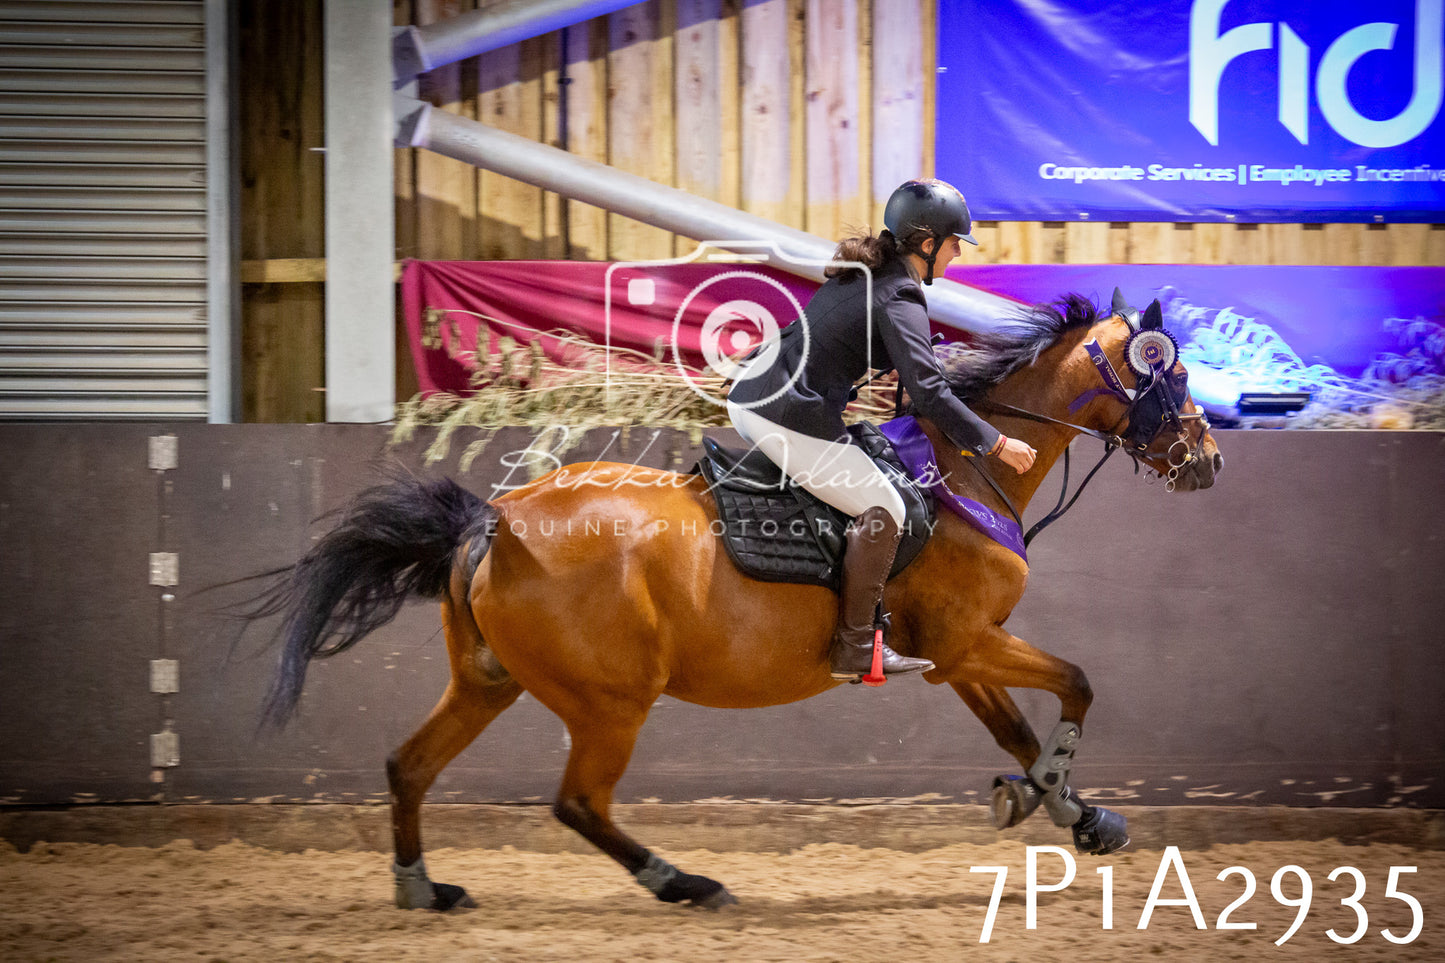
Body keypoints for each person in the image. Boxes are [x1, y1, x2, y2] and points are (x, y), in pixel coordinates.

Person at [725, 179, 1037, 683]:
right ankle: (853, 647)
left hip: (760, 393)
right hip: (780, 412)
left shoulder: (873, 272)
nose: (958, 255)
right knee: (886, 507)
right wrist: (995, 442)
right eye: (955, 244)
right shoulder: (899, 295)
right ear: (929, 243)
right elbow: (932, 395)